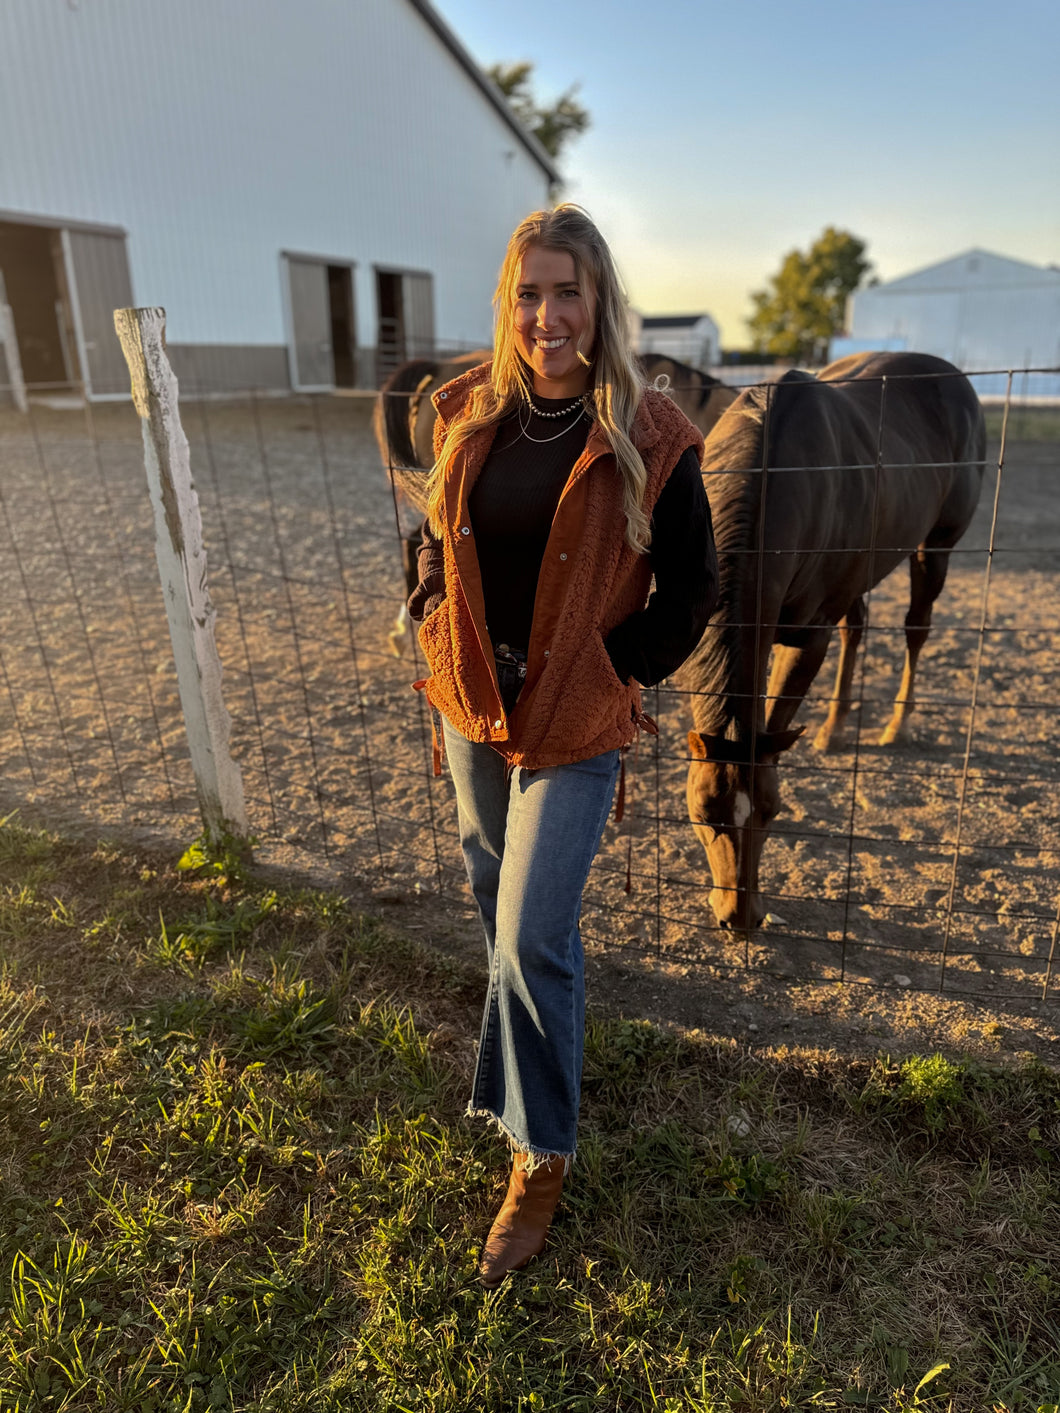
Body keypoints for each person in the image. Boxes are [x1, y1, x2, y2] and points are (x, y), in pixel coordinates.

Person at [407, 205, 718, 1287]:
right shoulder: (462, 410)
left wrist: (612, 670)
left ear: (601, 302)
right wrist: (429, 609)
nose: (548, 315)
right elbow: (433, 532)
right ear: (510, 301)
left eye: (569, 291)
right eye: (529, 292)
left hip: (573, 724)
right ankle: (527, 1094)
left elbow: (693, 592)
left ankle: (538, 1159)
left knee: (533, 932)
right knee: (500, 919)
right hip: (472, 710)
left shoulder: (653, 433)